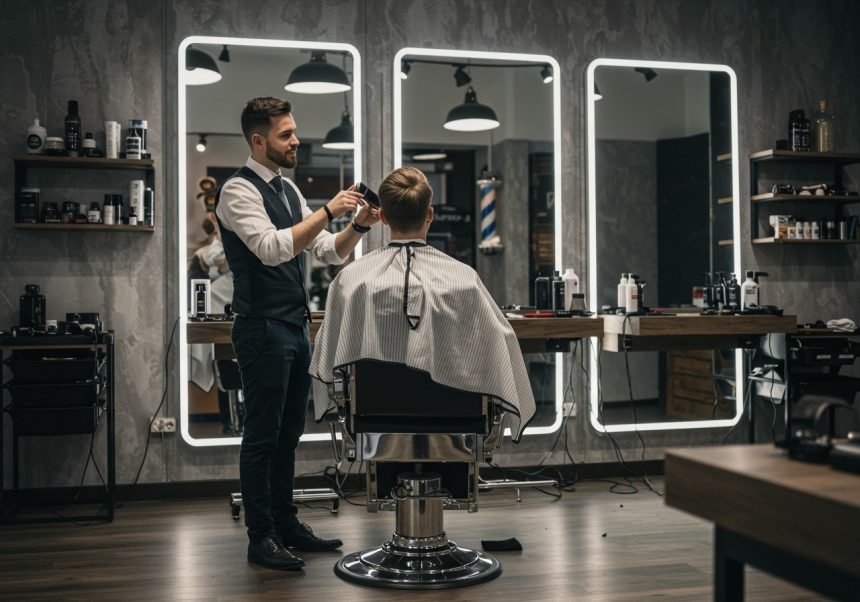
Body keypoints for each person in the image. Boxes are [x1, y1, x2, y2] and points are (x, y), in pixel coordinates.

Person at [215, 97, 379, 571]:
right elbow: (271, 249)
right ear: (258, 140)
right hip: (260, 327)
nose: (296, 141)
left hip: (294, 326)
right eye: (285, 134)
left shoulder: (287, 190)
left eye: (294, 131)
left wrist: (357, 225)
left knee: (288, 435)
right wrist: (329, 209)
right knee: (261, 436)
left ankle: (285, 525)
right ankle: (261, 536)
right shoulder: (237, 191)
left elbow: (328, 250)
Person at [310, 167, 536, 442]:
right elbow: (502, 343)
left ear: (382, 217)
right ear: (430, 214)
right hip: (457, 418)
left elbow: (327, 358)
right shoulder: (464, 279)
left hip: (373, 417)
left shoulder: (352, 281)